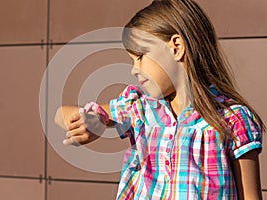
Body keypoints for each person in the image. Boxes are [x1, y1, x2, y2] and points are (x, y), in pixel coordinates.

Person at [55, 0, 265, 199]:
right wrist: (94, 121)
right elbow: (61, 114)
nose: (134, 69)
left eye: (140, 56)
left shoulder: (233, 120)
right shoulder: (140, 109)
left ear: (176, 47)